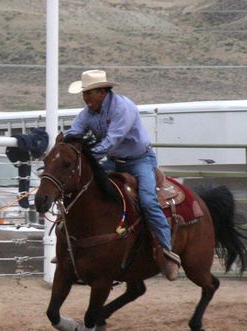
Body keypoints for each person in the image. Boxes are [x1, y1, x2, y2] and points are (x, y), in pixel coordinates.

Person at [64, 69, 181, 280]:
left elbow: (112, 140)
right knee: (87, 190)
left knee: (147, 200)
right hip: (112, 161)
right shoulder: (88, 113)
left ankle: (166, 250)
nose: (85, 97)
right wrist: (65, 143)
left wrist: (88, 153)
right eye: (84, 93)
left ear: (102, 92)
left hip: (139, 160)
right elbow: (74, 130)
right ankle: (74, 246)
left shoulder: (123, 108)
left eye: (88, 93)